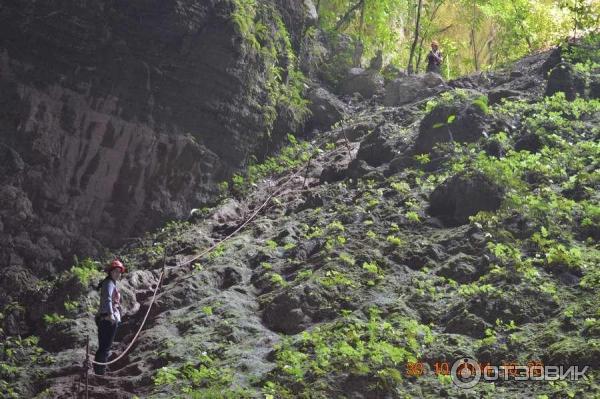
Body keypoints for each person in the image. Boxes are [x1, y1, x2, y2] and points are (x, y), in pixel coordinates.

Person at [93, 259, 125, 375]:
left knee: (103, 346)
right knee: (105, 347)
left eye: (119, 272)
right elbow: (108, 299)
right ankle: (100, 371)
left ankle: (99, 370)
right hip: (108, 318)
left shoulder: (109, 283)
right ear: (110, 272)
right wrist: (111, 315)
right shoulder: (109, 283)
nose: (118, 274)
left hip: (105, 318)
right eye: (116, 271)